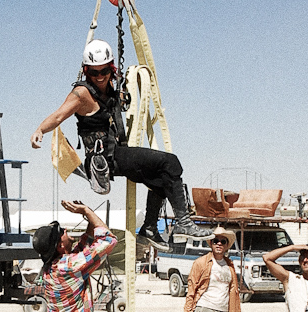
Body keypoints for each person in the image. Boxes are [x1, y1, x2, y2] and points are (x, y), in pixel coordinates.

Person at [30, 39, 214, 252]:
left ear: (112, 68)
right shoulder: (81, 93)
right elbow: (59, 115)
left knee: (161, 178)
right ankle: (183, 222)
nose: (100, 77)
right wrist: (40, 130)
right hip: (106, 158)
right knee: (169, 162)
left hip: (116, 151)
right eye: (94, 73)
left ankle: (149, 229)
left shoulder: (110, 87)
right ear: (86, 72)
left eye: (104, 71)